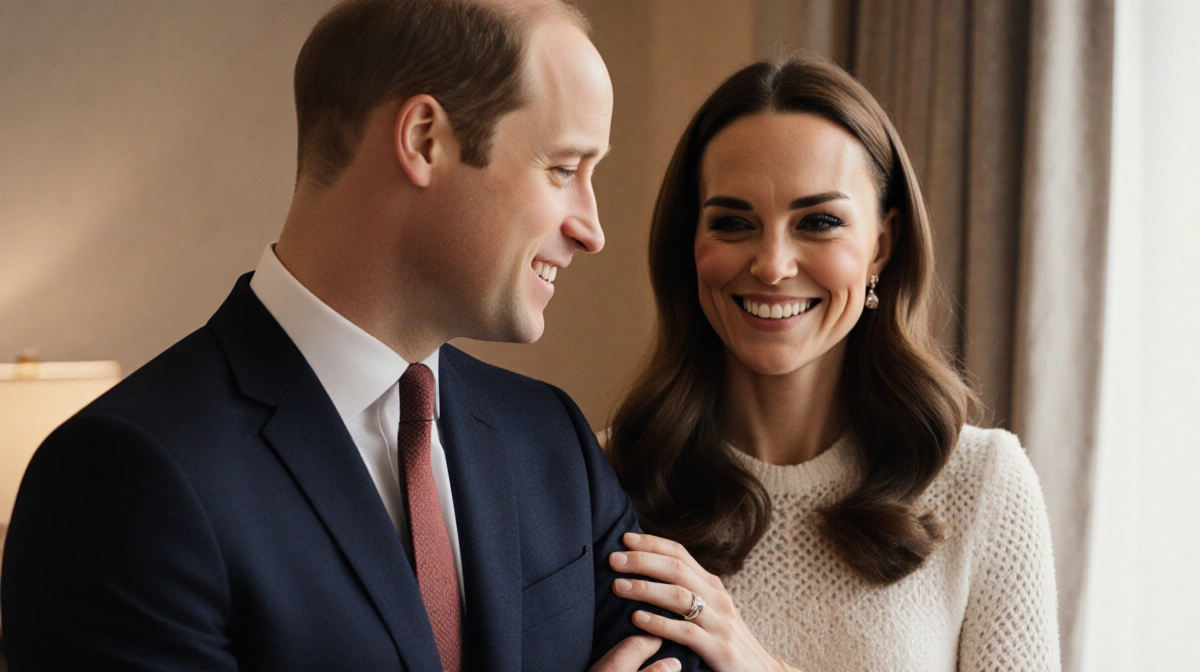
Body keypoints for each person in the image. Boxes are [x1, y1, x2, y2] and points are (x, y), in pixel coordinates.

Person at [1, 1, 705, 671]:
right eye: (562, 169)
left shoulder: (551, 439)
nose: (593, 228)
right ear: (424, 139)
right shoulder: (127, 480)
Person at [604, 57, 1061, 671]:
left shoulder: (983, 485)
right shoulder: (606, 475)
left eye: (819, 222)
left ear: (882, 245)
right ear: (692, 243)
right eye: (733, 222)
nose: (771, 265)